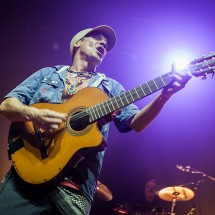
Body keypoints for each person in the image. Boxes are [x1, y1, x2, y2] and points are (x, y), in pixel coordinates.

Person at [0, 25, 191, 215]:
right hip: (25, 176)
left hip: (74, 188)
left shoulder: (111, 88)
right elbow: (6, 106)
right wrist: (33, 114)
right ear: (77, 43)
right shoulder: (47, 74)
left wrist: (164, 96)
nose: (103, 44)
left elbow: (136, 123)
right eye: (97, 37)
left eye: (106, 45)